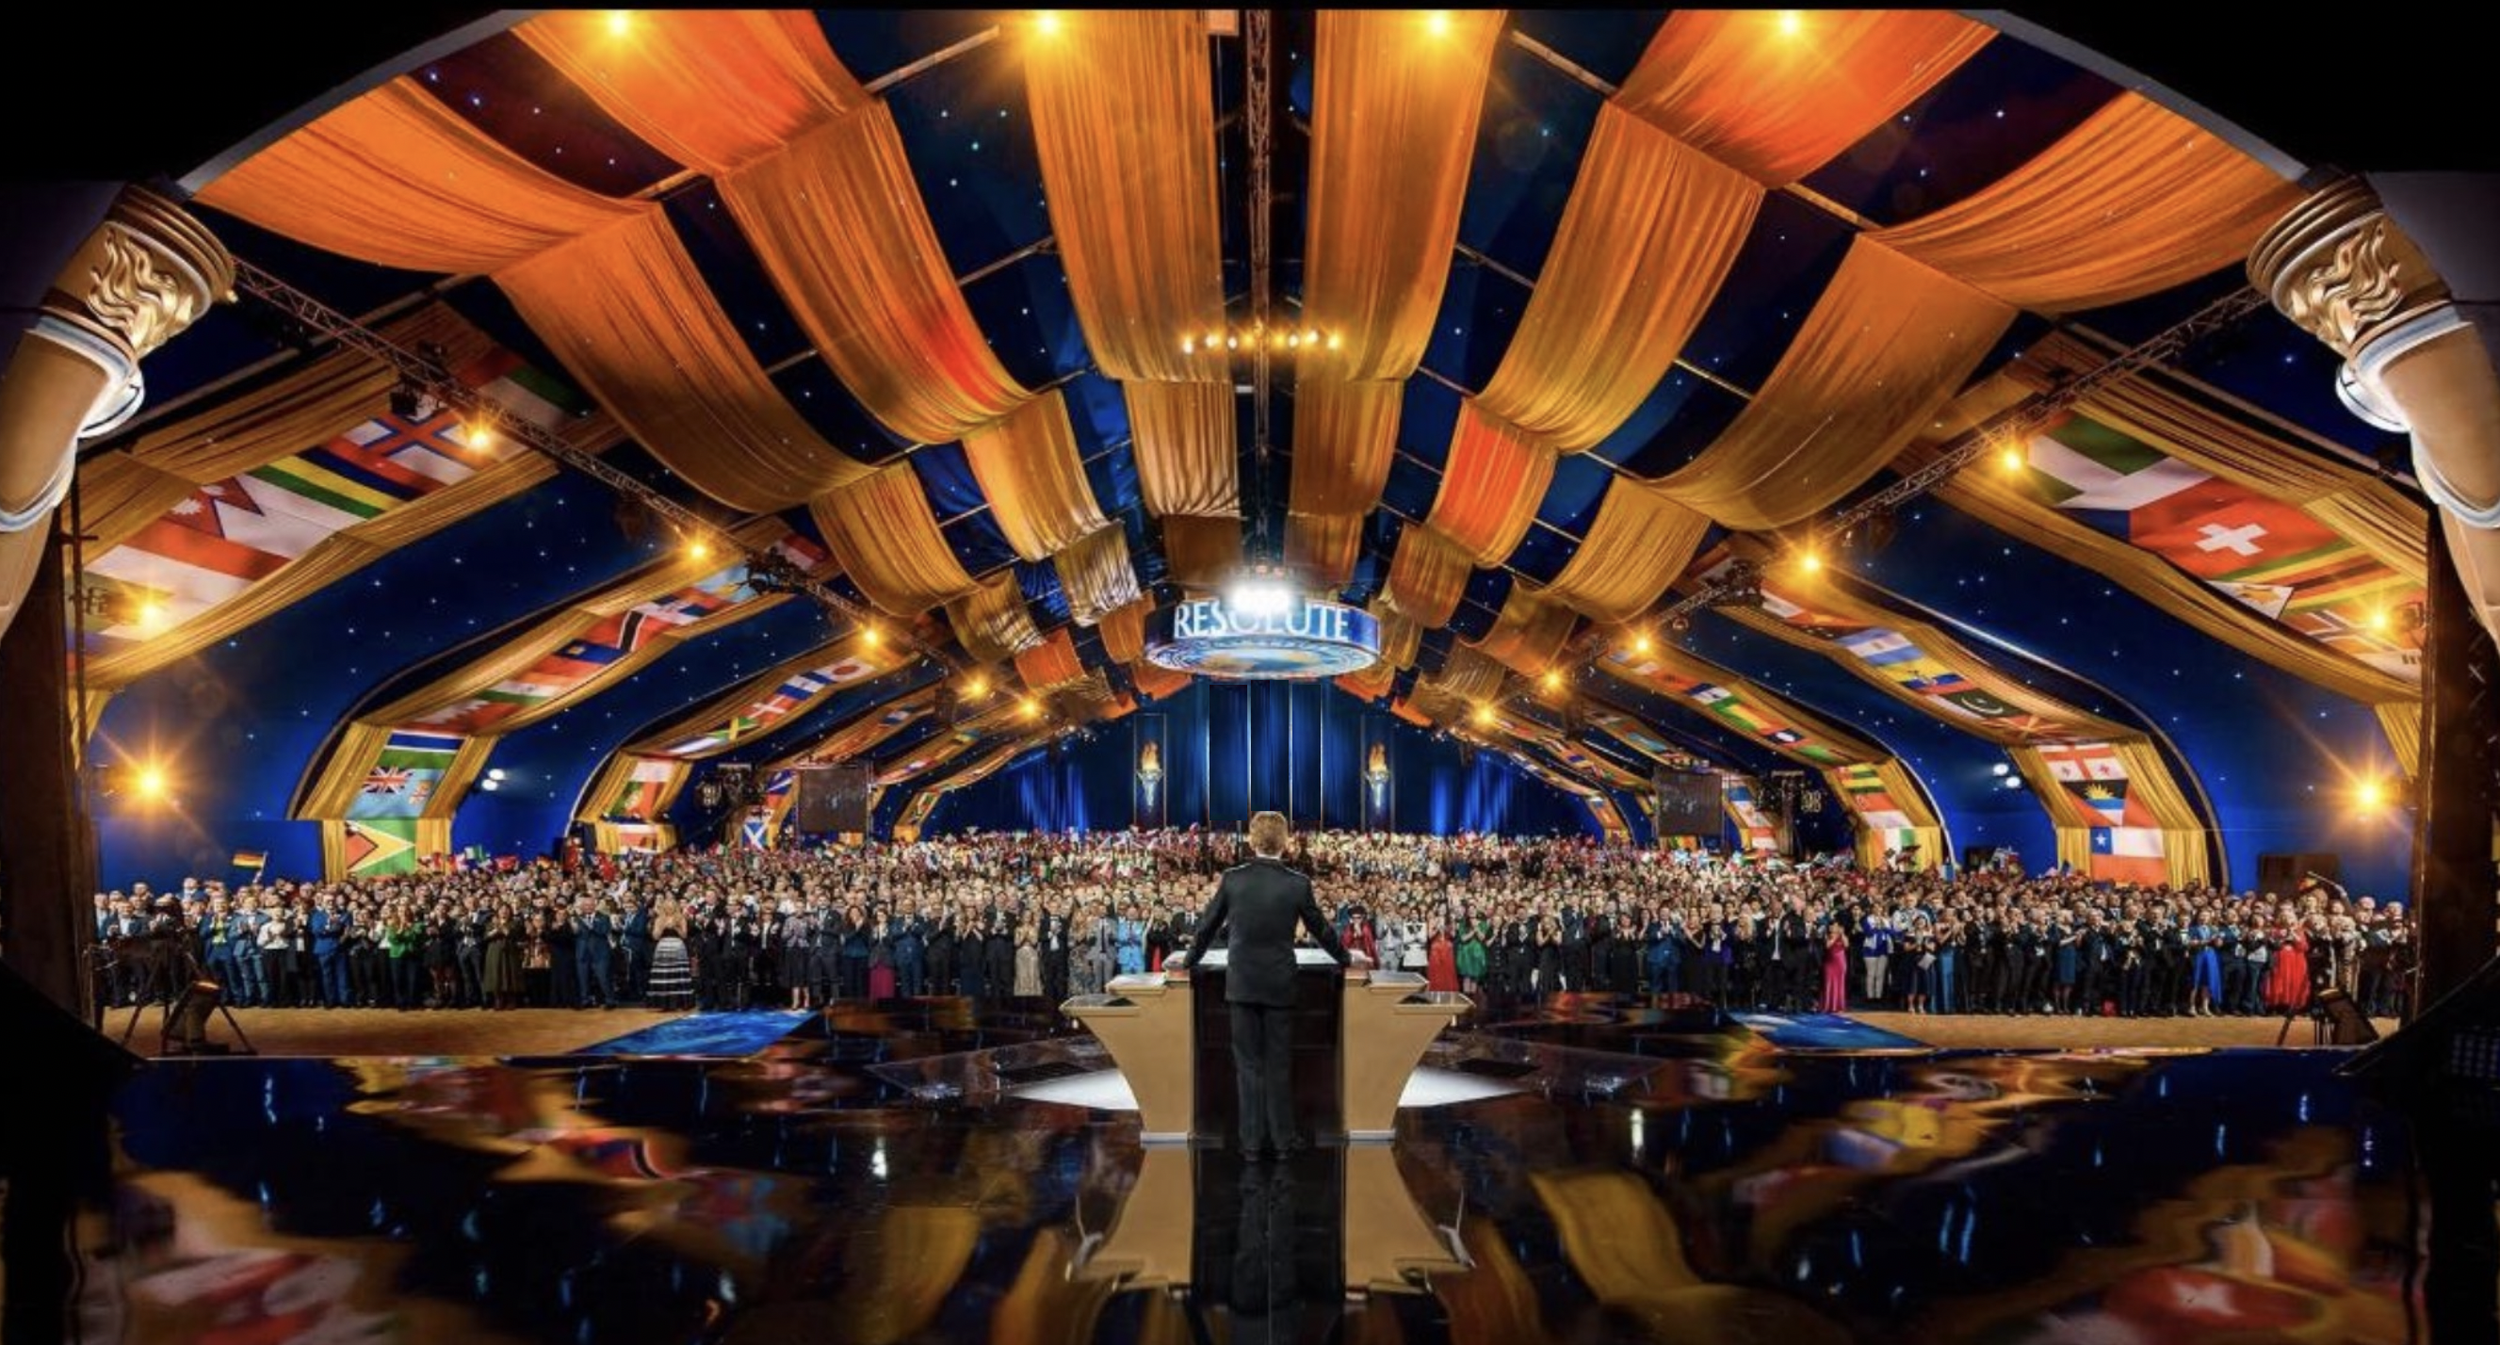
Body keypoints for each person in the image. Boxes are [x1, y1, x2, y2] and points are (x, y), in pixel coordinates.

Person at [1175, 812, 1354, 1160]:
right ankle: (1284, 1142)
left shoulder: (1233, 879)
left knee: (1248, 1066)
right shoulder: (1297, 883)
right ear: (1285, 841)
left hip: (1241, 983)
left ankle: (1251, 1143)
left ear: (1252, 841)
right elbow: (1320, 929)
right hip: (1280, 983)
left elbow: (1207, 927)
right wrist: (1346, 958)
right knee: (1278, 1063)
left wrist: (1186, 960)